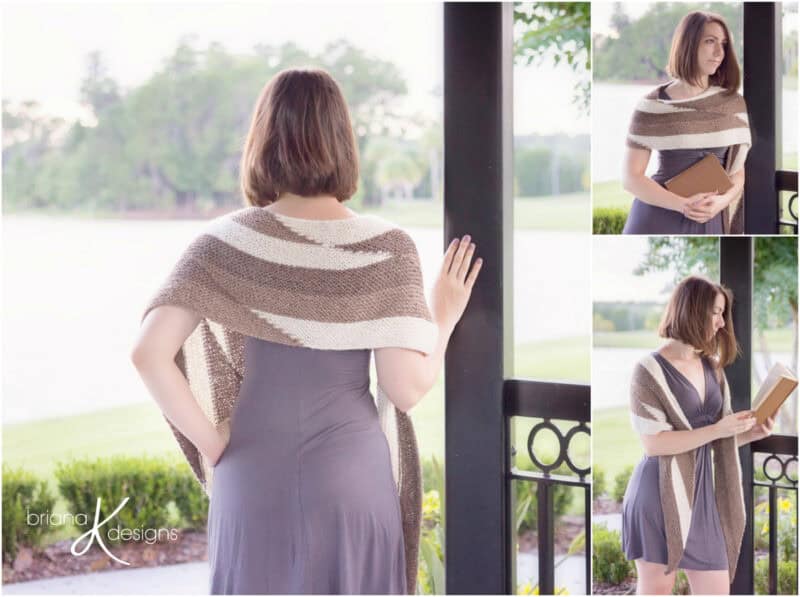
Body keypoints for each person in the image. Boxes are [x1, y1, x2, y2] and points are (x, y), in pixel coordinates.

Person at [130, 67, 482, 595]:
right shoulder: (386, 248)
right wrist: (446, 314)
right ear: (343, 141)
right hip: (350, 483)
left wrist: (213, 441)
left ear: (262, 142)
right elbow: (406, 389)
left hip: (250, 479)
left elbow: (148, 354)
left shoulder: (224, 243)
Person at [621, 276, 774, 595]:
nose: (721, 323)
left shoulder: (712, 367)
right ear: (692, 310)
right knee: (656, 590)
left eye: (723, 314)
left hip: (705, 500)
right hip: (660, 494)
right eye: (716, 312)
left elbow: (715, 442)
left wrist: (749, 433)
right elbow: (654, 442)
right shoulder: (647, 371)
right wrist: (720, 429)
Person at [621, 11, 752, 235]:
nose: (719, 52)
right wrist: (682, 205)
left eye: (723, 44)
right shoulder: (653, 105)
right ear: (688, 45)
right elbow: (631, 178)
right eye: (710, 42)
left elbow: (737, 172)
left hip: (710, 216)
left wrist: (722, 203)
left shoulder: (733, 104)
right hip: (658, 214)